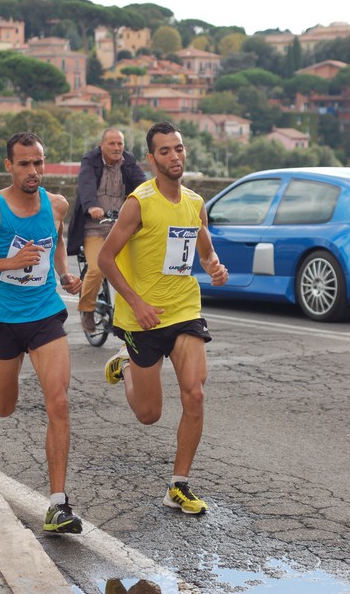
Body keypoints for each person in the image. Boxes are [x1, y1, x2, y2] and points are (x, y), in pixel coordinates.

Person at [98, 121, 228, 515]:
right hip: (143, 319)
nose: (175, 157)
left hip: (184, 309)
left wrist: (215, 266)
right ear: (152, 159)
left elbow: (204, 251)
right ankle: (126, 363)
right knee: (148, 414)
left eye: (180, 149)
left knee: (195, 393)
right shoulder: (140, 202)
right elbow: (105, 258)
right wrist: (136, 303)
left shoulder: (194, 203)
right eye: (166, 151)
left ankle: (179, 485)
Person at [0, 132, 83, 534]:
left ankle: (58, 505)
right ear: (9, 165)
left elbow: (56, 243)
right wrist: (7, 262)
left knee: (59, 401)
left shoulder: (57, 204)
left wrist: (64, 273)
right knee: (3, 408)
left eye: (40, 162)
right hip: (2, 318)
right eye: (25, 164)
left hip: (45, 313)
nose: (34, 171)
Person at [67, 127, 146, 333]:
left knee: (135, 267)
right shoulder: (90, 161)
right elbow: (86, 184)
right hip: (93, 226)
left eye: (120, 143)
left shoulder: (128, 161)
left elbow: (142, 184)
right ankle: (87, 308)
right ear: (102, 145)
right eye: (112, 143)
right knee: (97, 267)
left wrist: (150, 201)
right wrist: (92, 206)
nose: (116, 147)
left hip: (119, 225)